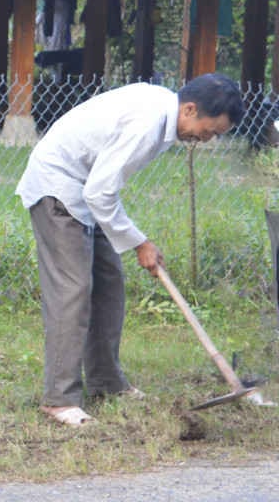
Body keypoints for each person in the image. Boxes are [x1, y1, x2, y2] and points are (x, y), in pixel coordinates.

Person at [15, 73, 244, 427]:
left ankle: (106, 382)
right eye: (210, 130)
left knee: (109, 284)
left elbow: (101, 188)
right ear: (191, 108)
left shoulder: (163, 113)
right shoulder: (148, 123)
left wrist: (135, 239)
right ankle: (59, 399)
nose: (207, 139)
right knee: (72, 291)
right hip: (58, 188)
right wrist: (139, 242)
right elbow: (100, 191)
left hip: (88, 191)